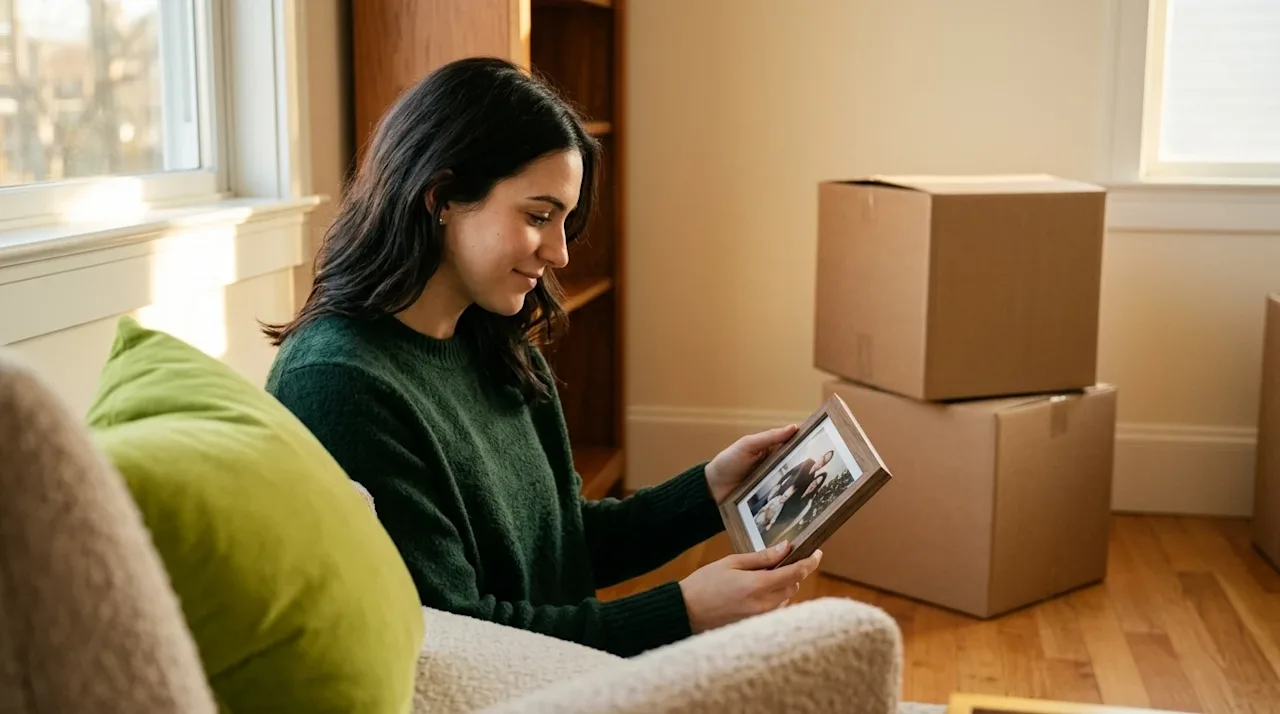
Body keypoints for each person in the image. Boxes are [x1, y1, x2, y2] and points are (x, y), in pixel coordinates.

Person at [260, 57, 822, 658]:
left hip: (570, 680)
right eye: (538, 216)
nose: (560, 253)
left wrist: (711, 490)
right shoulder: (340, 386)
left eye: (565, 220)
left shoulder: (492, 338)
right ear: (443, 197)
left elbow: (561, 543)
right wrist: (683, 611)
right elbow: (456, 639)